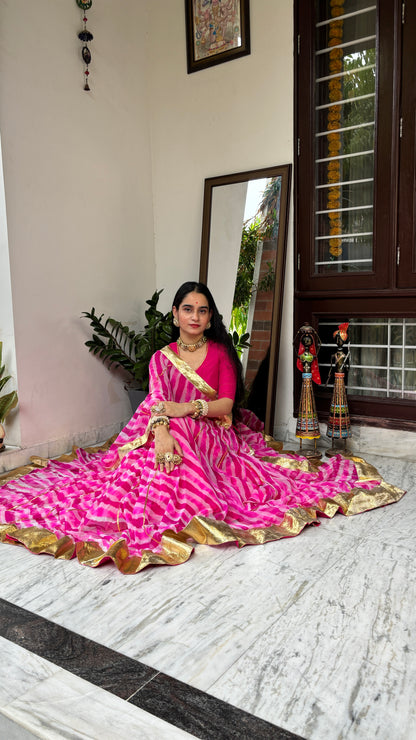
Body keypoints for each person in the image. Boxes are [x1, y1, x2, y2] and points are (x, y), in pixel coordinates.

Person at [0, 282, 405, 574]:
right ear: (174, 314)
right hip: (161, 426)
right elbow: (156, 403)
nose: (195, 316)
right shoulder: (161, 358)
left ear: (210, 318)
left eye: (203, 310)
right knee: (143, 458)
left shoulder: (221, 355)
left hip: (211, 426)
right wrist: (161, 432)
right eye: (188, 309)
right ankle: (148, 503)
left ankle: (185, 505)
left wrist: (186, 409)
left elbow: (225, 405)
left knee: (188, 439)